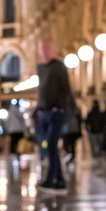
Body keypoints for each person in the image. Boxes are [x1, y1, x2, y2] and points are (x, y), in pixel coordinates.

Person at [36, 38, 76, 191]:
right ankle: (54, 178)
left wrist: (62, 108)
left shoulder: (58, 67)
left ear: (53, 49)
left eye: (48, 47)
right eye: (43, 47)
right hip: (46, 113)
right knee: (50, 146)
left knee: (52, 144)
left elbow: (66, 90)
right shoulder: (42, 68)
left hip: (57, 112)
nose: (45, 50)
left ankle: (58, 180)